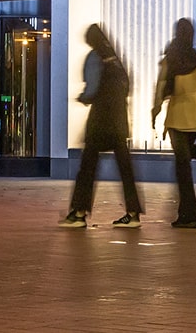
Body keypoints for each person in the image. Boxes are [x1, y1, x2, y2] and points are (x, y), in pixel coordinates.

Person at [60, 23, 143, 229]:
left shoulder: (94, 57)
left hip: (100, 122)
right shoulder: (115, 59)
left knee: (88, 168)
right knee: (125, 168)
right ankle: (133, 213)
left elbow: (92, 90)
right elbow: (127, 86)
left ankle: (79, 212)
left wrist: (83, 98)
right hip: (118, 121)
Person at [152, 18, 196, 229]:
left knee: (182, 168)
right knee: (186, 166)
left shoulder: (171, 59)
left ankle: (188, 214)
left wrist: (155, 111)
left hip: (178, 119)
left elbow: (161, 88)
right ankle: (189, 212)